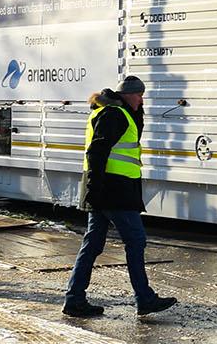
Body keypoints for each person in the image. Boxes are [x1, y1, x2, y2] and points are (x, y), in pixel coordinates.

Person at [63, 76, 177, 318]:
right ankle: (144, 298)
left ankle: (74, 299)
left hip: (107, 190)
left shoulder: (113, 112)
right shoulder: (115, 115)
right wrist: (94, 189)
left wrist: (93, 190)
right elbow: (97, 152)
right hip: (114, 191)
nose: (141, 100)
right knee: (135, 240)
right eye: (139, 96)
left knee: (92, 245)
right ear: (127, 95)